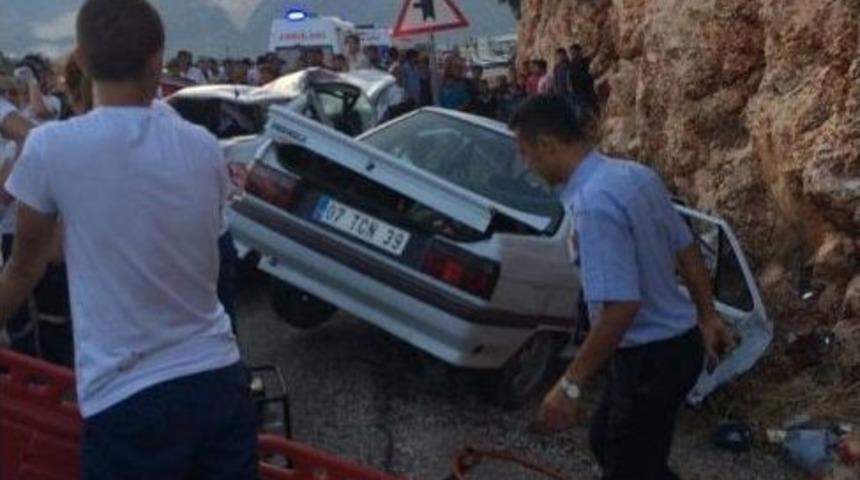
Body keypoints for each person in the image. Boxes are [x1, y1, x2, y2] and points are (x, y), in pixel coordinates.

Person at [0, 1, 257, 478]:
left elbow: (25, 268)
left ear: (80, 57)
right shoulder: (201, 147)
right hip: (218, 383)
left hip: (128, 400)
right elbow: (220, 268)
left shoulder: (52, 148)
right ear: (157, 60)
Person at [510, 95, 735, 480]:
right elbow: (685, 247)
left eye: (527, 153)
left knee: (629, 465)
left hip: (651, 359)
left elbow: (621, 307)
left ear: (548, 145)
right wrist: (707, 314)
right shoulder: (633, 175)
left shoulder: (594, 205)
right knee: (606, 441)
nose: (527, 166)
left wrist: (570, 384)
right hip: (671, 349)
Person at [569, 44, 598, 111]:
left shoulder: (581, 61)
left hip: (586, 89)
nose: (573, 54)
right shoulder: (573, 63)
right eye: (572, 53)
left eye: (574, 52)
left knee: (591, 105)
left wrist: (597, 48)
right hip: (579, 91)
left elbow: (591, 56)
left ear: (579, 51)